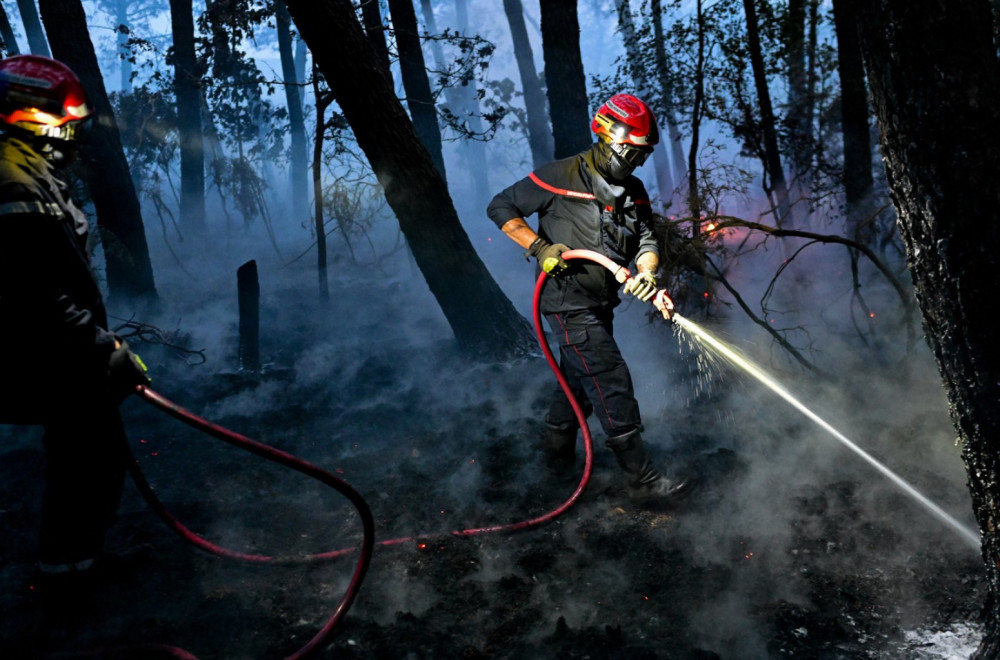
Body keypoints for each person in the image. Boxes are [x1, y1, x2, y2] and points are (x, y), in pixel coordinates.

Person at [487, 93, 691, 501]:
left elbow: (646, 240)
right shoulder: (559, 176)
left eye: (643, 156)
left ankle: (555, 469)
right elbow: (501, 206)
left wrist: (647, 273)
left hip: (601, 307)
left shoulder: (633, 192)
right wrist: (540, 247)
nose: (636, 163)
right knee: (610, 379)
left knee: (574, 387)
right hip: (567, 305)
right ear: (609, 137)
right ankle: (643, 481)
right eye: (632, 153)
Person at [0, 55, 149, 577]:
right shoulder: (13, 181)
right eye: (64, 121)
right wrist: (102, 348)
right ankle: (69, 568)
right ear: (29, 116)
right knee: (88, 453)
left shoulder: (23, 168)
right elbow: (31, 294)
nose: (71, 133)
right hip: (41, 351)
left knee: (83, 448)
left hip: (51, 346)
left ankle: (71, 558)